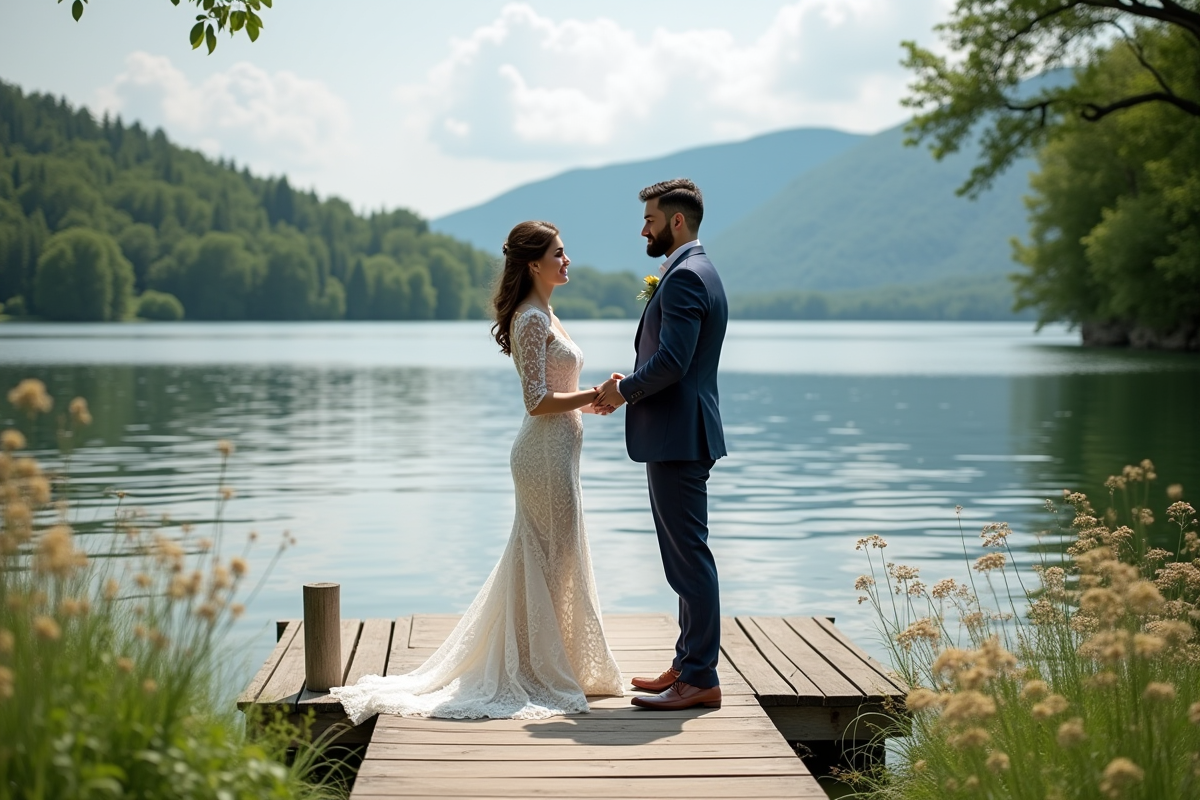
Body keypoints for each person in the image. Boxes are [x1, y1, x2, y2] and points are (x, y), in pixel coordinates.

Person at [331, 220, 623, 722]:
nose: (567, 260)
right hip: (542, 458)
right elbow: (536, 402)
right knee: (552, 557)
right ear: (534, 263)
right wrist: (594, 394)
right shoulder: (531, 319)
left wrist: (592, 403)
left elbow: (557, 392)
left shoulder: (547, 313)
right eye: (559, 253)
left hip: (558, 455)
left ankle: (546, 663)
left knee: (555, 559)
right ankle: (534, 670)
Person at [594, 178, 728, 711]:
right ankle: (687, 663)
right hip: (680, 433)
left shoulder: (686, 278)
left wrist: (624, 390)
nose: (643, 228)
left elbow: (673, 362)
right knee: (682, 557)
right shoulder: (697, 270)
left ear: (676, 221)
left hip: (679, 435)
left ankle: (699, 678)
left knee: (689, 559)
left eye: (649, 218)